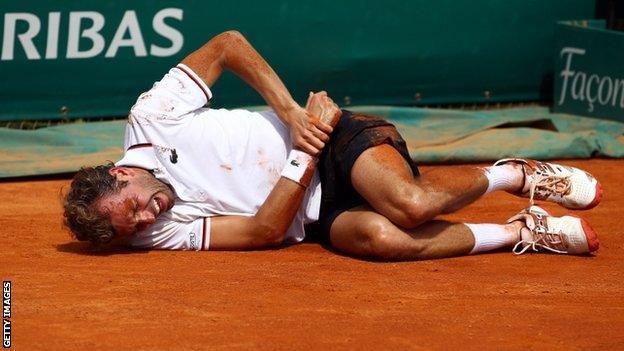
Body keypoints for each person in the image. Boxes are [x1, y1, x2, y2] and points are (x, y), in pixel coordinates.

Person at [63, 31, 602, 260]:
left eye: (132, 207)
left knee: (408, 206)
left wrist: (296, 117)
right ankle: (522, 231)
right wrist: (303, 154)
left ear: (119, 172)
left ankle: (515, 173)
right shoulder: (147, 235)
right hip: (314, 205)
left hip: (338, 138)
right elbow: (263, 231)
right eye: (129, 228)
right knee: (383, 241)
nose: (145, 218)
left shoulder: (152, 115)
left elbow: (227, 45)